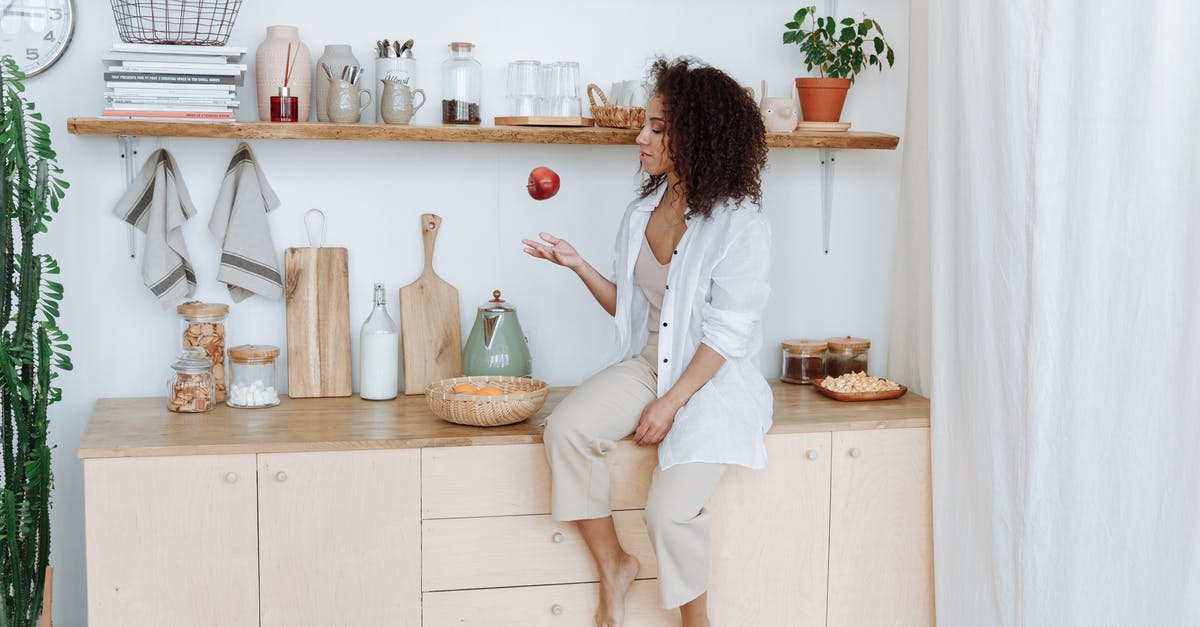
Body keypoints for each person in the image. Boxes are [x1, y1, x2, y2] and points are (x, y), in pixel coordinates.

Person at [521, 56, 772, 627]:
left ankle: (695, 621)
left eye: (658, 128)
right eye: (647, 124)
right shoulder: (642, 212)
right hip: (648, 364)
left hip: (709, 381)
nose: (642, 136)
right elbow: (633, 310)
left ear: (697, 136)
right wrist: (578, 265)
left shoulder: (739, 223)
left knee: (667, 514)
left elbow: (729, 332)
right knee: (566, 428)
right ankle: (615, 566)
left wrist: (671, 401)